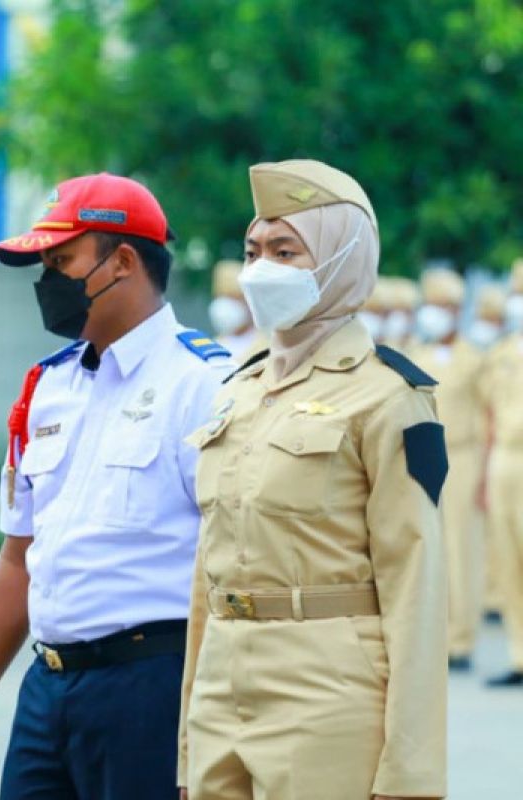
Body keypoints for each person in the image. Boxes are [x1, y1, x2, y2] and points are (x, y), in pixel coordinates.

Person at [0, 172, 233, 800]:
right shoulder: (47, 388)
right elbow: (20, 557)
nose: (47, 281)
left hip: (151, 687)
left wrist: (212, 727)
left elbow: (234, 568)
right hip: (47, 688)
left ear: (124, 260)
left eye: (62, 261)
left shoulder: (206, 385)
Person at [179, 159, 448, 800]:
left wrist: (411, 774)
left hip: (327, 693)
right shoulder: (239, 390)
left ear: (341, 259)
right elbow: (205, 574)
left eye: (285, 250)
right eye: (253, 250)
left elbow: (417, 583)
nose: (260, 268)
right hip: (222, 686)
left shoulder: (387, 395)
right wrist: (188, 746)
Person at [408, 268, 485, 671]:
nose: (433, 314)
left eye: (441, 306)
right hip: (424, 457)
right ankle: (436, 636)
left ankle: (462, 639)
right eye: (431, 305)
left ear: (456, 310)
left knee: (461, 549)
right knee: (429, 550)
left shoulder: (474, 358)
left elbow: (487, 414)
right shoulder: (417, 355)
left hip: (464, 456)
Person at [482, 258, 523, 687]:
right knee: (508, 560)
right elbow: (489, 415)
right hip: (504, 462)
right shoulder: (502, 353)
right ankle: (518, 655)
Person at [208, 259, 261, 358]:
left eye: (233, 297)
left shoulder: (268, 346)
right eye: (221, 297)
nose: (225, 305)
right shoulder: (212, 348)